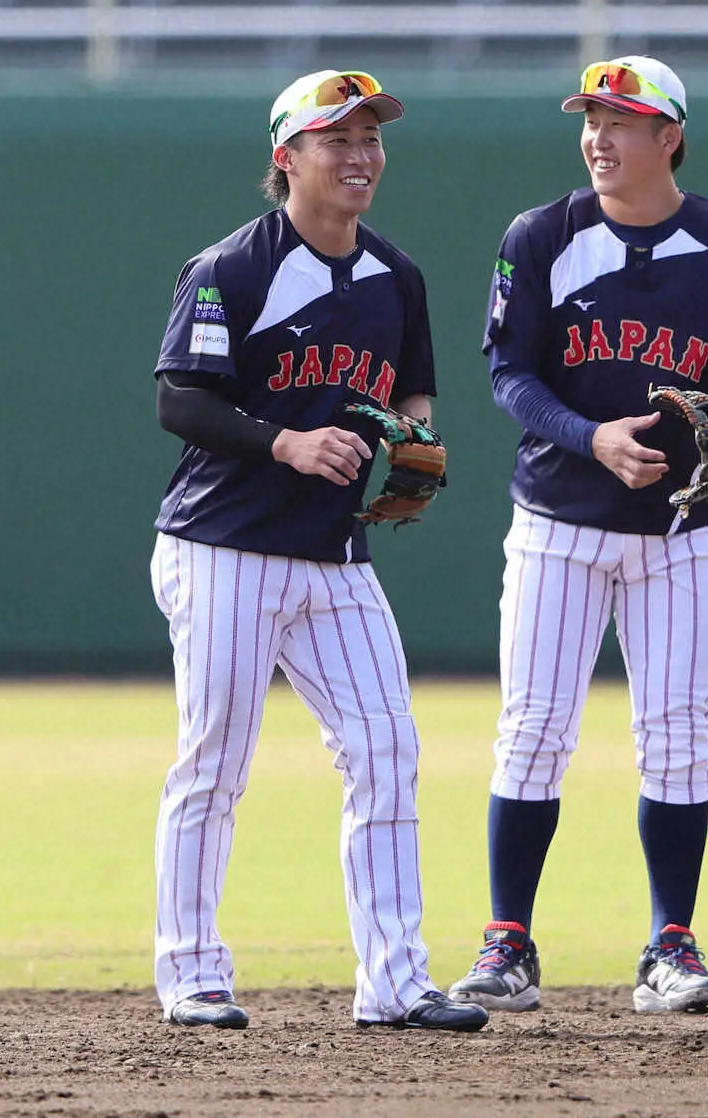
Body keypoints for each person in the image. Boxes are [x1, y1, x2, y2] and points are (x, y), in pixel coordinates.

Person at [448, 56, 708, 1015]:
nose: (598, 137)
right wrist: (590, 437)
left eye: (619, 121)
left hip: (681, 531)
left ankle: (670, 946)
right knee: (532, 731)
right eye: (590, 119)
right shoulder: (542, 235)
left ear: (669, 137)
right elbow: (510, 375)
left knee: (678, 737)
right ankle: (507, 942)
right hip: (558, 523)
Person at [149, 69, 488, 1034]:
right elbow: (179, 399)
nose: (360, 155)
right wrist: (286, 442)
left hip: (334, 555)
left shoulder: (395, 275)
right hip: (222, 544)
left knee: (386, 749)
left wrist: (414, 444)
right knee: (216, 760)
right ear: (286, 158)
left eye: (370, 138)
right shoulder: (233, 268)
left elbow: (411, 389)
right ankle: (191, 974)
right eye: (337, 139)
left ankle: (396, 983)